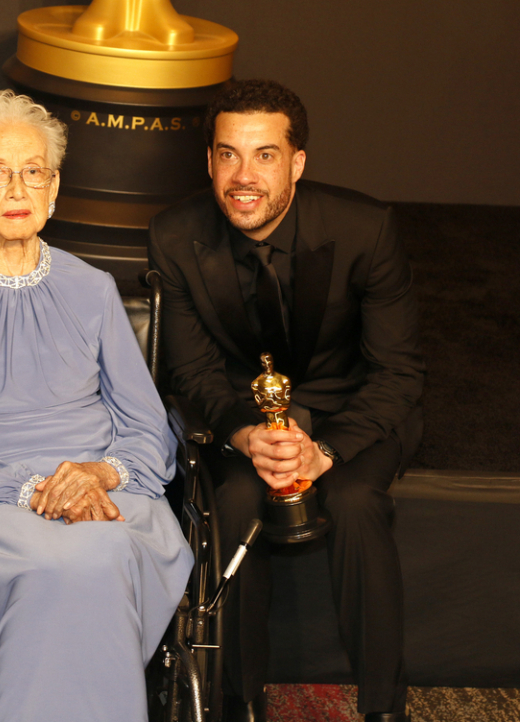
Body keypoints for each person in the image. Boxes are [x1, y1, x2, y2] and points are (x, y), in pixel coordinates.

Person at [0, 90, 193, 722]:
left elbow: (148, 428)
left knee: (99, 550)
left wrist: (99, 474)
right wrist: (38, 486)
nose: (16, 187)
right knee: (75, 560)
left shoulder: (92, 290)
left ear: (55, 187)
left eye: (33, 170)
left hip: (105, 489)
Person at [148, 79, 424, 722]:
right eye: (227, 155)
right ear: (209, 159)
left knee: (355, 502)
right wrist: (247, 436)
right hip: (243, 414)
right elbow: (191, 369)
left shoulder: (366, 228)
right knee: (236, 500)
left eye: (265, 155)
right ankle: (238, 702)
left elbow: (399, 372)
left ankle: (384, 709)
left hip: (352, 410)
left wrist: (324, 453)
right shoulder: (174, 233)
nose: (243, 176)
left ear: (297, 162)